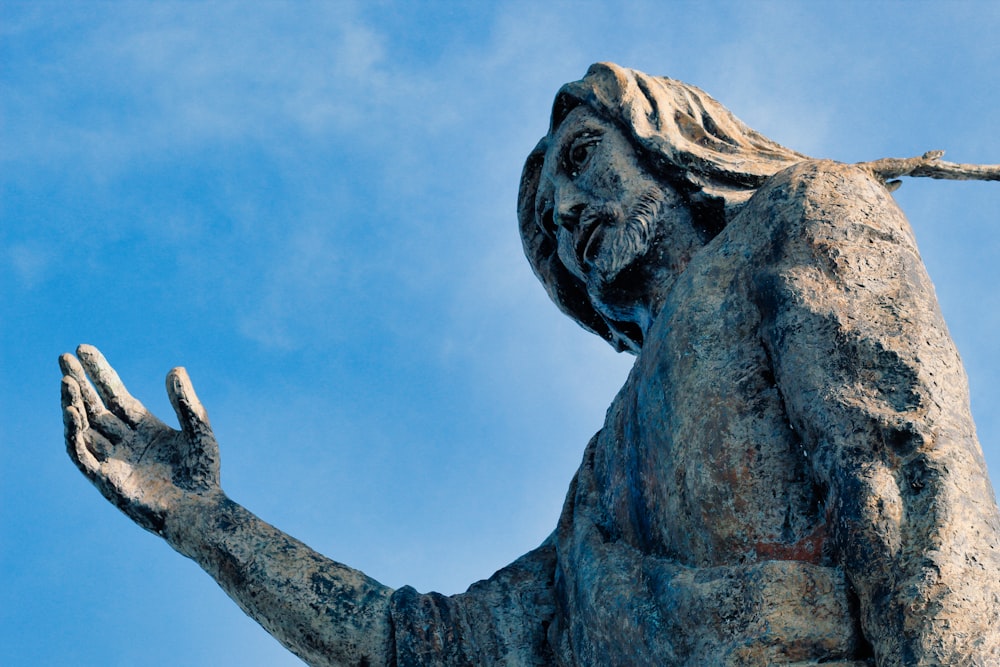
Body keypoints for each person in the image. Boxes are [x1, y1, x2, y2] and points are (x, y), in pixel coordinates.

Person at [60, 63, 1000, 666]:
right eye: (550, 218)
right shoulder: (599, 487)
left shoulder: (806, 218)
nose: (568, 209)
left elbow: (915, 487)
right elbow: (424, 645)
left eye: (586, 158)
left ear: (674, 145)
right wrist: (206, 523)